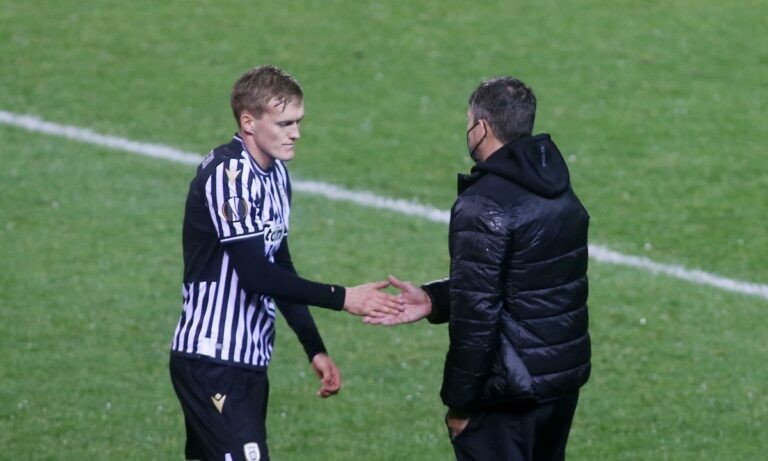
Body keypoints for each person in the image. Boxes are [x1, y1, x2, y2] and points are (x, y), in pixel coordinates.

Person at [169, 65, 402, 461]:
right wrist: (344, 297)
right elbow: (256, 275)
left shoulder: (276, 175)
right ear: (248, 122)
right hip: (212, 358)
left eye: (298, 122)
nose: (296, 133)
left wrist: (315, 348)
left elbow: (280, 267)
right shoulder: (230, 176)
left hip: (248, 362)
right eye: (284, 123)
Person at [367, 77, 591, 461]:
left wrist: (460, 404)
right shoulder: (557, 187)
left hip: (509, 393)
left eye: (469, 121)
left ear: (482, 127)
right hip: (559, 382)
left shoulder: (483, 205)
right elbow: (527, 280)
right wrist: (434, 299)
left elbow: (477, 315)